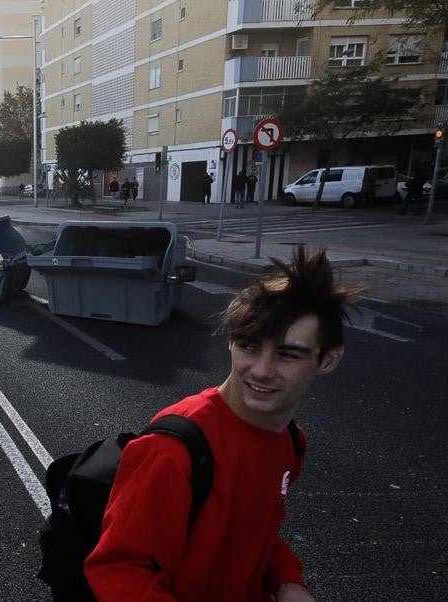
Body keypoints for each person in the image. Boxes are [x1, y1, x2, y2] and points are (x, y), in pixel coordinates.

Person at [85, 247, 359, 602]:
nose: (260, 370)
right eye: (248, 346)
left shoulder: (290, 441)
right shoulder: (175, 449)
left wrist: (287, 580)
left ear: (329, 360)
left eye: (288, 354)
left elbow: (254, 532)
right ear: (231, 342)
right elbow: (119, 569)